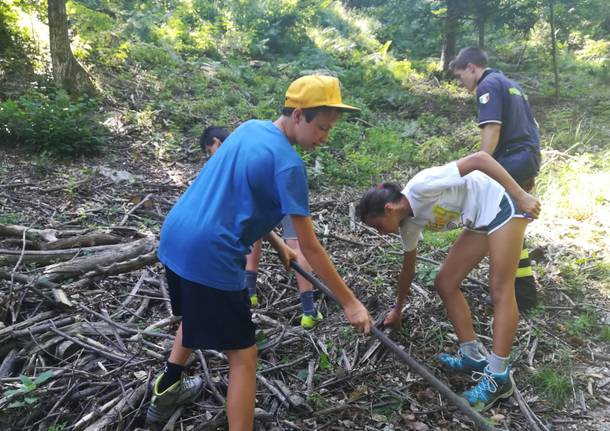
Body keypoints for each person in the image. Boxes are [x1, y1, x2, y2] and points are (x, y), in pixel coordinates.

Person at [146, 75, 372, 430]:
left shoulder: (250, 129)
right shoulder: (289, 165)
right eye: (322, 128)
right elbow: (311, 244)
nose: (325, 138)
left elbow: (239, 200)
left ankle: (168, 385)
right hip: (211, 253)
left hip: (176, 237)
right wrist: (350, 302)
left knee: (196, 310)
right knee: (244, 357)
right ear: (299, 115)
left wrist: (279, 244)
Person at [357, 151, 540, 411]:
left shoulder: (421, 186)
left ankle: (499, 377)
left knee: (500, 288)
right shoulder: (407, 224)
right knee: (445, 282)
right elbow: (408, 269)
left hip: (504, 202)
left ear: (388, 208)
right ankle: (472, 356)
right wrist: (397, 308)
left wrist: (521, 195)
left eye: (377, 226)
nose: (380, 232)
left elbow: (479, 159)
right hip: (480, 218)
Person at [202, 127, 324, 330]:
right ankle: (308, 311)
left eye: (209, 150)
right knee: (294, 243)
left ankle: (251, 293)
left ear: (215, 142)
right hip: (282, 189)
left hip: (269, 194)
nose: (210, 155)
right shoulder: (256, 142)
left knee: (283, 241)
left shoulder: (232, 153)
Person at [449, 47, 541, 311]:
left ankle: (508, 292)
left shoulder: (487, 85)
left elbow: (493, 126)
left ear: (471, 68)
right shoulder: (511, 84)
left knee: (494, 220)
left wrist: (482, 163)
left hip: (512, 158)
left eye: (460, 76)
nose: (460, 83)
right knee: (512, 223)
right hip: (528, 157)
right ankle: (523, 291)